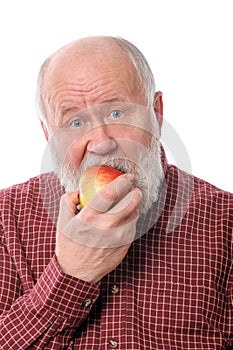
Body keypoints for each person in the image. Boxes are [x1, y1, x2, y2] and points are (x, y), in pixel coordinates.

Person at [0, 36, 232, 350]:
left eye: (117, 114)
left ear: (156, 111)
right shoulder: (6, 218)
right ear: (48, 135)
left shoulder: (225, 223)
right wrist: (71, 273)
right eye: (75, 121)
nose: (100, 142)